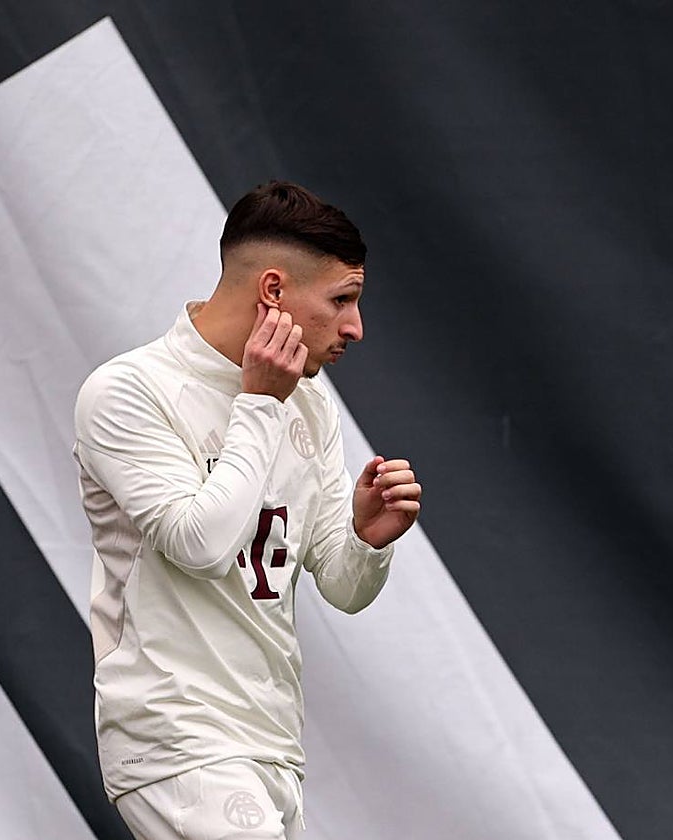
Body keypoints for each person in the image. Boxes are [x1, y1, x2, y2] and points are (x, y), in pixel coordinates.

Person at [73, 181, 422, 839]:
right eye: (342, 300)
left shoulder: (310, 404)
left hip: (272, 742)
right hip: (175, 736)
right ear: (273, 291)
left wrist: (368, 540)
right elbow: (198, 546)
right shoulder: (130, 391)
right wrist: (259, 405)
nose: (356, 327)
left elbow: (343, 587)